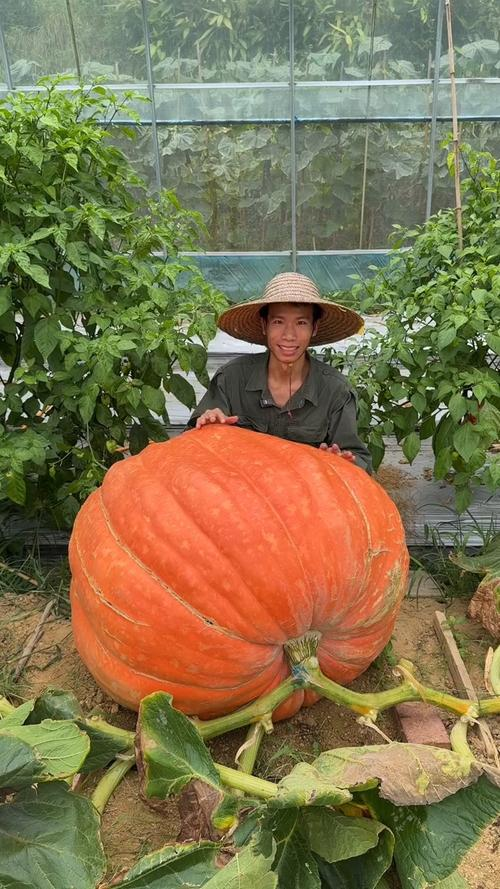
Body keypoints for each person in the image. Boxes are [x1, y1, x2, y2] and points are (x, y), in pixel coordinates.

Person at [187, 271, 372, 473]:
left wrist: (343, 462)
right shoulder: (231, 378)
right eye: (278, 322)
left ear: (314, 328)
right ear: (264, 325)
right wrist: (208, 426)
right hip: (241, 487)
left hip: (309, 490)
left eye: (301, 323)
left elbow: (359, 462)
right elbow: (190, 449)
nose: (289, 335)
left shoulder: (336, 390)